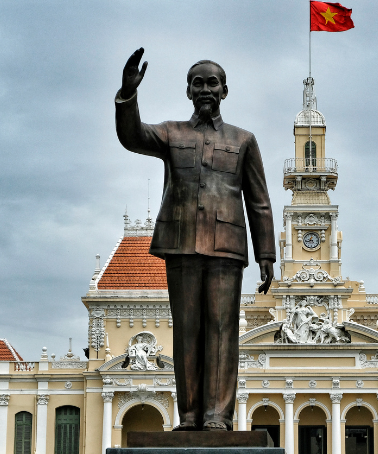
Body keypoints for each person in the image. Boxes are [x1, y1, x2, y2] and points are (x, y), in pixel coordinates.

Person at [115, 48, 276, 431]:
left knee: (222, 330)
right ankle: (188, 416)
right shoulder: (172, 133)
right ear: (188, 91)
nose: (205, 89)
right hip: (181, 242)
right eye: (197, 83)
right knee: (187, 330)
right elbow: (132, 136)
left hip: (226, 246)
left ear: (224, 91)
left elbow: (259, 200)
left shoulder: (243, 140)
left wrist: (266, 254)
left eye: (212, 83)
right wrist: (128, 94)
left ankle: (218, 415)